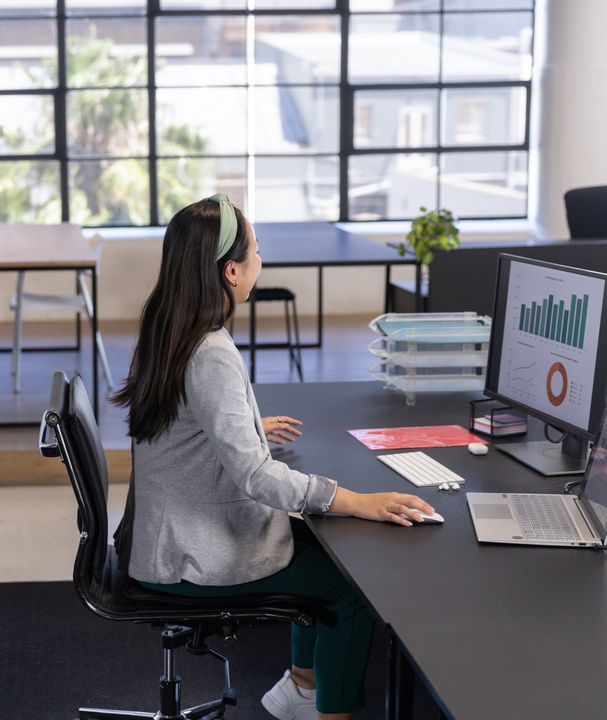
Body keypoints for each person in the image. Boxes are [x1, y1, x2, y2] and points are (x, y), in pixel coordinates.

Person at [111, 195, 434, 720]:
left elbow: (181, 421)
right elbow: (257, 478)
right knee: (348, 592)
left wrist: (240, 427)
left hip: (163, 534)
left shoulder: (169, 325)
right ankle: (322, 707)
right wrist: (353, 500)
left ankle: (301, 690)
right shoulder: (210, 351)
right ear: (232, 270)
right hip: (188, 555)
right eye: (258, 250)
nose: (262, 260)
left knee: (320, 545)